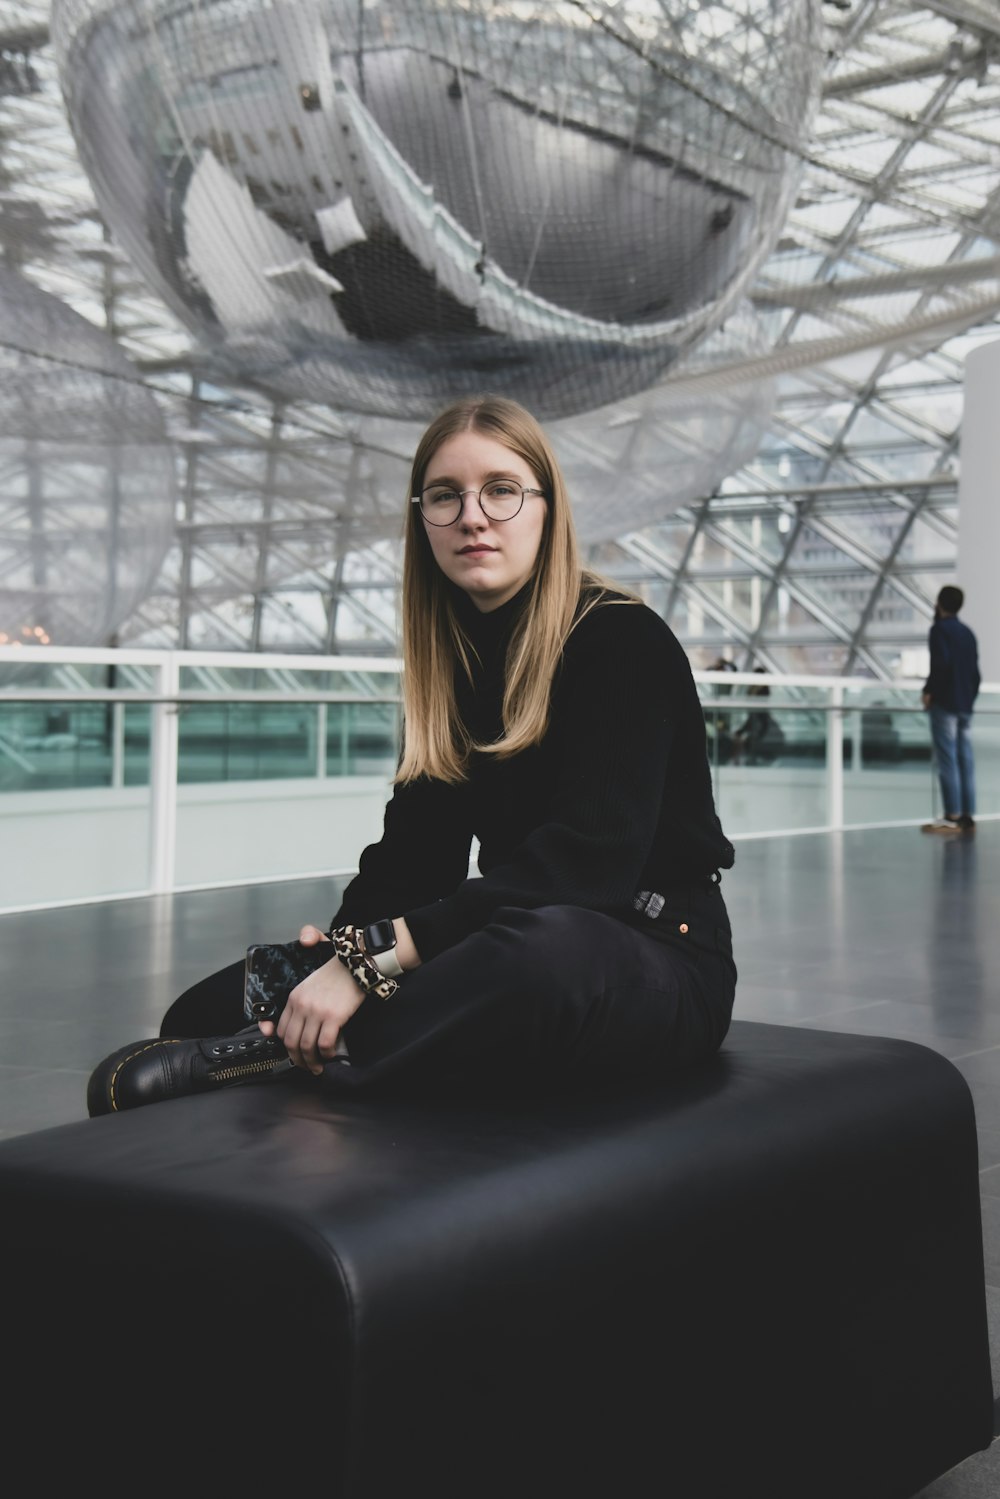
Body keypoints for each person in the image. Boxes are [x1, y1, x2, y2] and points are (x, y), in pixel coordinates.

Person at [87, 394, 737, 1114]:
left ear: (546, 509)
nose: (472, 516)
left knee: (542, 952)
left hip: (650, 955)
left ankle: (286, 1054)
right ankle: (307, 1038)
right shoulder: (451, 665)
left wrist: (373, 961)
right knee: (203, 1008)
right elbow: (413, 859)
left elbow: (588, 867)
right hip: (503, 936)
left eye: (501, 490)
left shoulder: (621, 641)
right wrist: (343, 952)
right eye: (444, 496)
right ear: (421, 517)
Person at [920, 584, 980, 836]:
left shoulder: (939, 630)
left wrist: (928, 692)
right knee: (965, 759)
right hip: (965, 703)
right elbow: (975, 673)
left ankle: (951, 816)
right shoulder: (967, 633)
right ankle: (967, 815)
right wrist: (970, 698)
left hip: (945, 703)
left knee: (947, 759)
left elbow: (940, 665)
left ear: (939, 603)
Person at [731, 668, 783, 766]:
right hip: (755, 720)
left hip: (759, 721)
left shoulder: (762, 689)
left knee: (748, 740)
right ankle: (743, 761)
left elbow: (759, 712)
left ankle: (747, 761)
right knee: (742, 738)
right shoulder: (755, 689)